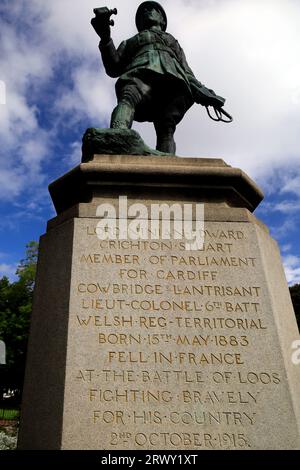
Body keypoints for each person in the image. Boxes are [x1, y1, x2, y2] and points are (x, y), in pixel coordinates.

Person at [91, 1, 227, 153]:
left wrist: (204, 92)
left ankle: (169, 164)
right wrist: (105, 37)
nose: (148, 11)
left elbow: (187, 72)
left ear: (162, 20)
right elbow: (113, 67)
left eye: (154, 9)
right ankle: (118, 134)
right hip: (140, 73)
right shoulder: (131, 41)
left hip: (174, 81)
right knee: (128, 97)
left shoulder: (173, 42)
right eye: (144, 11)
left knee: (166, 125)